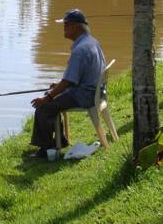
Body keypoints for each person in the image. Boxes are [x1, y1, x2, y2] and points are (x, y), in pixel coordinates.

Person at [30, 9, 106, 158]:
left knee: (44, 107)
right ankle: (59, 141)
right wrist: (58, 87)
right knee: (51, 98)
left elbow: (68, 82)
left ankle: (46, 149)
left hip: (85, 95)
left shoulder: (80, 50)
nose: (64, 28)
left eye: (67, 25)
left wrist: (47, 98)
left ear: (77, 27)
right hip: (95, 91)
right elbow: (72, 78)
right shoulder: (91, 41)